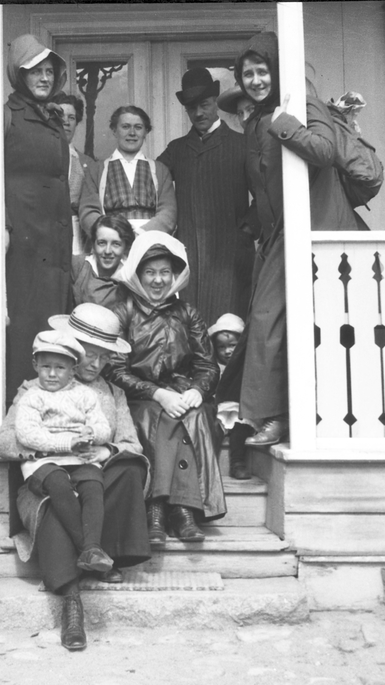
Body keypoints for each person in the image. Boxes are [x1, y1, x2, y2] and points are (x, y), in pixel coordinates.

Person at [0, 303, 150, 652]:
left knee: (128, 469)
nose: (95, 364)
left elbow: (132, 443)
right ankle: (71, 601)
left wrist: (106, 450)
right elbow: (4, 441)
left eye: (104, 357)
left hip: (91, 475)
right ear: (74, 350)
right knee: (56, 496)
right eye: (89, 354)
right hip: (48, 478)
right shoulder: (36, 388)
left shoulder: (112, 394)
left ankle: (100, 552)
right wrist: (45, 450)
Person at [225, 32, 344, 447]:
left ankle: (276, 416)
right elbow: (265, 184)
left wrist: (285, 124)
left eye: (262, 71)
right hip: (275, 236)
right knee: (270, 320)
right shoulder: (257, 118)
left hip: (310, 229)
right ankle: (274, 414)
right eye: (248, 74)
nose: (256, 80)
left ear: (276, 70)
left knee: (269, 320)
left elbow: (325, 151)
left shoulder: (300, 105)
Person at [108, 231, 225, 543]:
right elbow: (114, 369)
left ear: (174, 276)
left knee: (194, 415)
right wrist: (158, 394)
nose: (158, 280)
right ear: (138, 274)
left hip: (183, 390)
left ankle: (182, 511)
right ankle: (157, 509)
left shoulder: (187, 313)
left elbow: (207, 364)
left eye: (164, 272)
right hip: (139, 396)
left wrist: (197, 390)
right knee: (157, 417)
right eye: (150, 272)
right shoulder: (123, 312)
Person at [4, 35, 74, 406]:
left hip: (54, 241)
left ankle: (53, 410)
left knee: (54, 325)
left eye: (49, 71)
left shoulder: (54, 117)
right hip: (24, 240)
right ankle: (20, 410)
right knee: (26, 327)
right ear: (20, 74)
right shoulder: (6, 116)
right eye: (35, 71)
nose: (45, 78)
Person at [13, 330, 115, 573]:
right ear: (35, 365)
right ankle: (87, 549)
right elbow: (27, 434)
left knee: (93, 483)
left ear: (73, 369)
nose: (51, 374)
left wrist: (91, 432)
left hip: (79, 458)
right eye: (45, 366)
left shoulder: (85, 395)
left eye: (60, 368)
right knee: (58, 482)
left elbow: (104, 428)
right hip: (44, 462)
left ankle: (92, 547)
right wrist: (67, 443)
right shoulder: (32, 397)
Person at [158, 67, 254, 323]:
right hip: (188, 255)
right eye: (192, 108)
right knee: (189, 327)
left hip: (229, 256)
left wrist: (246, 230)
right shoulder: (176, 149)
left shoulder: (241, 145)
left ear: (215, 102)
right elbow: (150, 182)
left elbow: (264, 194)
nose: (199, 113)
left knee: (227, 328)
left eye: (204, 105)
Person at [78, 106, 177, 236]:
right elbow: (88, 212)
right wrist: (113, 235)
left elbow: (168, 213)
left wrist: (142, 234)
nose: (132, 133)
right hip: (111, 239)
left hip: (150, 239)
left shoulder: (160, 170)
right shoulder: (96, 170)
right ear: (114, 130)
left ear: (146, 132)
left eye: (138, 127)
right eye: (125, 127)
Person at [207, 313, 254, 480]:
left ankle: (237, 463)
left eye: (232, 345)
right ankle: (209, 466)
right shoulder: (213, 367)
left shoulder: (246, 367)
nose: (227, 351)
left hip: (240, 412)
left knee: (240, 429)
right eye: (221, 347)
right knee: (212, 428)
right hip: (218, 411)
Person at [53, 93, 97, 254]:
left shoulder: (87, 163)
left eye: (71, 117)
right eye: (60, 116)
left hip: (75, 231)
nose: (66, 122)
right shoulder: (39, 157)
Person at [71, 213, 133, 309]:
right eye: (102, 243)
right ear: (93, 244)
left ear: (126, 247)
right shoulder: (79, 266)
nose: (108, 251)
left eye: (116, 244)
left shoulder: (129, 278)